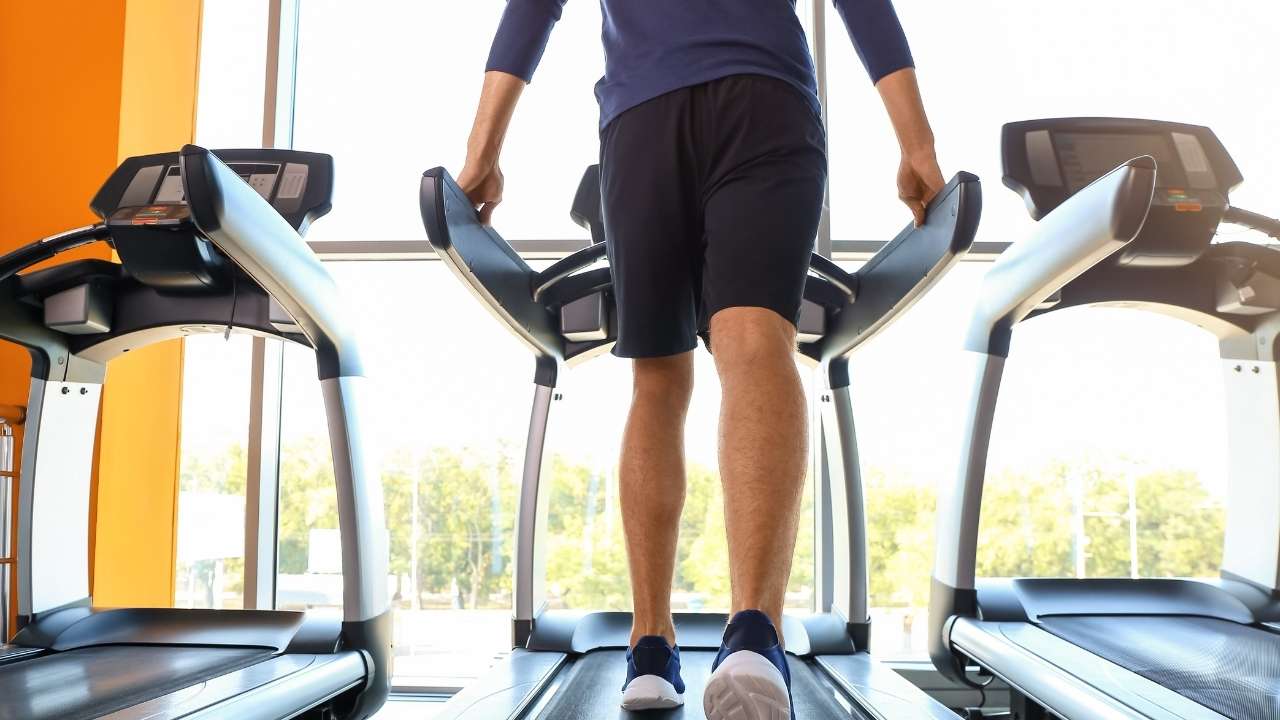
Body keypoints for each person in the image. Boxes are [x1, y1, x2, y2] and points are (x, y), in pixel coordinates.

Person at [458, 1, 944, 716]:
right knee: (755, 346)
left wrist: (483, 153)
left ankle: (650, 648)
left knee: (657, 377)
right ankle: (753, 635)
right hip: (766, 98)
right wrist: (917, 142)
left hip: (643, 117)